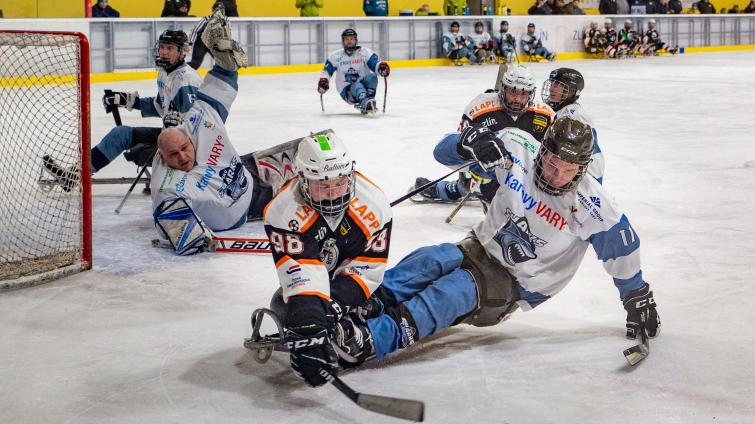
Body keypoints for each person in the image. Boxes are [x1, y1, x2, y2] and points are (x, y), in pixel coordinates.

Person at [327, 117, 661, 367]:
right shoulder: (519, 148)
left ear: (583, 169)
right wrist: (468, 144)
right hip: (478, 246)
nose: (554, 175)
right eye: (551, 163)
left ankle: (370, 340)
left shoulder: (593, 204)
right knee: (430, 259)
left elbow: (622, 250)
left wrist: (636, 297)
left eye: (567, 170)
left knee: (452, 292)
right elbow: (442, 153)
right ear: (542, 150)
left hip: (516, 283)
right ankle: (367, 302)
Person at [260, 131, 393, 387]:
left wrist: (333, 305)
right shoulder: (283, 211)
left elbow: (366, 270)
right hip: (315, 270)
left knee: (374, 301)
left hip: (347, 274)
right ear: (303, 179)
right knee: (288, 310)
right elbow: (301, 273)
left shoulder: (375, 206)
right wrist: (309, 328)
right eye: (322, 185)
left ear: (350, 175)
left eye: (339, 183)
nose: (333, 194)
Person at [43, 30, 201, 193]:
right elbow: (159, 106)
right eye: (162, 47)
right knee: (121, 134)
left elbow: (197, 125)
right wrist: (125, 100)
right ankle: (76, 175)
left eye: (170, 48)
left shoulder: (187, 81)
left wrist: (180, 124)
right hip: (168, 134)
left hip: (184, 144)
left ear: (182, 52)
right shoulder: (164, 74)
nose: (164, 52)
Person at [412, 65, 554, 205]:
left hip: (527, 179)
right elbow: (455, 150)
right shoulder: (479, 107)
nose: (517, 99)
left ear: (531, 93)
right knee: (470, 180)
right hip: (486, 171)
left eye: (524, 93)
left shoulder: (546, 115)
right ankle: (459, 188)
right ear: (503, 88)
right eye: (513, 91)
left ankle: (484, 192)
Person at [541, 68, 604, 183]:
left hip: (585, 176)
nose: (551, 88)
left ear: (572, 91)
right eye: (552, 83)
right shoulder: (562, 110)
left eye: (558, 85)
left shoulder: (574, 116)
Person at [318, 29, 389, 115]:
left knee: (372, 77)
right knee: (357, 85)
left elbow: (375, 64)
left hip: (363, 84)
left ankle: (368, 100)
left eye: (351, 39)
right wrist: (324, 81)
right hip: (346, 90)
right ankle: (364, 101)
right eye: (347, 39)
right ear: (343, 41)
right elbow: (326, 72)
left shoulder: (364, 52)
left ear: (356, 40)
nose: (349, 41)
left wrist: (381, 67)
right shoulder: (335, 56)